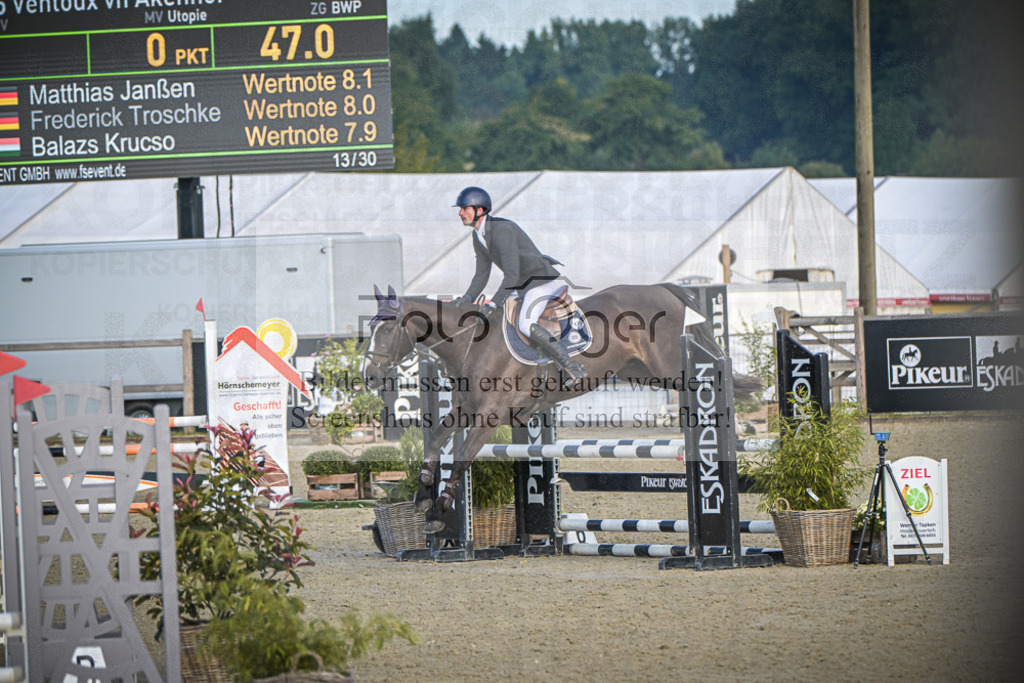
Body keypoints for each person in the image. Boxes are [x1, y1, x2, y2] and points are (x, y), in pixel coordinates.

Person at [452, 186, 587, 384]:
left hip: (538, 281)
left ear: (479, 210)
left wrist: (493, 303)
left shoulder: (502, 230)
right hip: (521, 285)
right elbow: (481, 275)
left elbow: (512, 275)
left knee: (525, 324)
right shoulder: (478, 235)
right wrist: (467, 298)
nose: (460, 213)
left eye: (464, 208)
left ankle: (572, 367)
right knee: (500, 320)